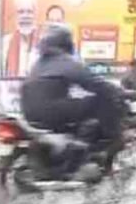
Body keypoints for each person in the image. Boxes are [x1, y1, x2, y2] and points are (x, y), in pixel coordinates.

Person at [21, 25, 125, 168]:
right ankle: (109, 139)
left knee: (79, 106)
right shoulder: (64, 61)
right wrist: (119, 91)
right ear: (66, 42)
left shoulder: (39, 63)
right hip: (51, 111)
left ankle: (77, 145)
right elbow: (95, 83)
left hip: (30, 113)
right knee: (99, 100)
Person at [1, 0, 40, 78]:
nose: (25, 16)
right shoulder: (5, 42)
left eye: (29, 12)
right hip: (12, 89)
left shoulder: (44, 42)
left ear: (35, 15)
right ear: (15, 16)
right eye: (21, 12)